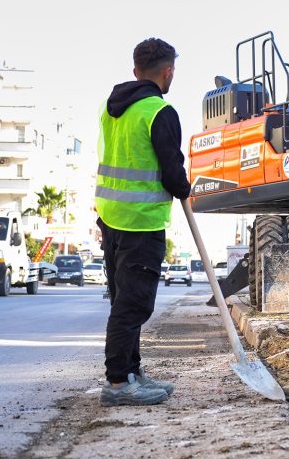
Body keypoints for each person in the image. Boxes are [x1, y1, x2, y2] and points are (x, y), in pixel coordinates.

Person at [96, 38, 190, 406]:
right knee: (133, 305)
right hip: (140, 222)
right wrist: (183, 188)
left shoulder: (111, 108)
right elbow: (171, 170)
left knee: (123, 301)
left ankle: (132, 373)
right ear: (168, 72)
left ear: (136, 71)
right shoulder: (158, 111)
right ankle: (119, 383)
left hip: (111, 218)